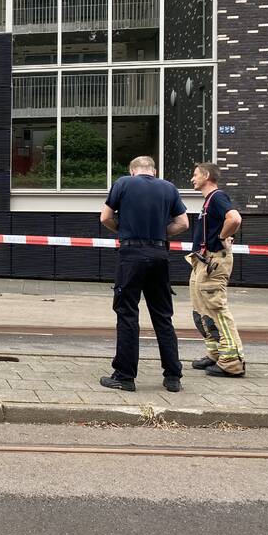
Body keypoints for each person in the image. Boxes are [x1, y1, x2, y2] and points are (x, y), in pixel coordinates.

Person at [99, 155, 189, 393]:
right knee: (162, 316)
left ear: (132, 170)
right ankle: (173, 377)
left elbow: (105, 217)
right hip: (159, 255)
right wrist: (160, 232)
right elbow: (183, 223)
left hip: (131, 256)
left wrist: (124, 229)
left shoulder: (123, 184)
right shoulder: (169, 188)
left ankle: (125, 376)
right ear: (154, 171)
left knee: (127, 314)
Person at [187, 162, 245, 377]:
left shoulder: (218, 197)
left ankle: (232, 362)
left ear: (206, 176)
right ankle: (215, 353)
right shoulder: (209, 201)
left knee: (215, 308)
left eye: (195, 175)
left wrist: (221, 238)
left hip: (213, 262)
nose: (192, 179)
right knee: (201, 308)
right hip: (202, 262)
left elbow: (235, 218)